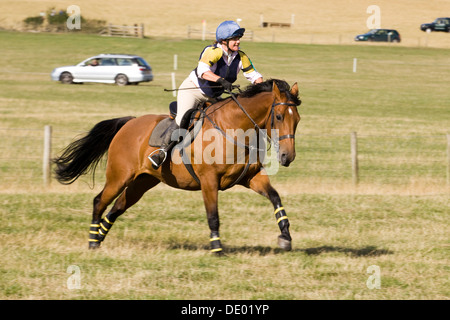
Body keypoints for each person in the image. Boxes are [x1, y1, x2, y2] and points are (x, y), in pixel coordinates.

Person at [149, 20, 263, 168]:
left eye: (239, 38)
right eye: (235, 39)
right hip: (193, 90)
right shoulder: (213, 51)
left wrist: (262, 90)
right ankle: (161, 151)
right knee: (182, 119)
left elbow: (254, 76)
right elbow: (202, 71)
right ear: (224, 40)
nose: (238, 41)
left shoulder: (241, 57)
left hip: (212, 96)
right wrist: (221, 81)